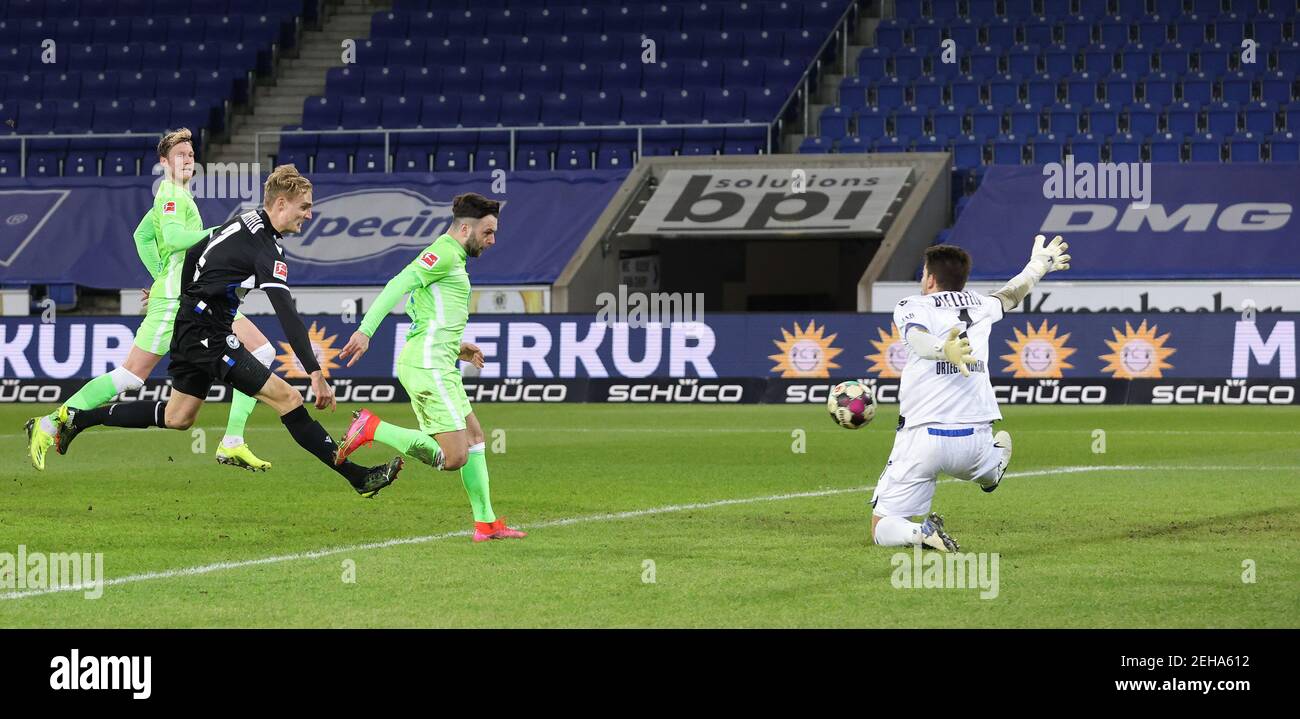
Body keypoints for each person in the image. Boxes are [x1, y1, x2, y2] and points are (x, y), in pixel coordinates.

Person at [56, 165, 402, 497]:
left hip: (192, 325)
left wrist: (187, 293)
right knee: (289, 398)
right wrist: (315, 372)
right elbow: (287, 313)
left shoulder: (244, 220)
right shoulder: (267, 249)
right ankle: (357, 476)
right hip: (210, 334)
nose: (308, 214)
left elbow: (194, 252)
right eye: (304, 207)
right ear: (281, 204)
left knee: (178, 417)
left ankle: (79, 419)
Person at [25, 128, 275, 472]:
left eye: (190, 155)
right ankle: (51, 423)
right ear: (165, 162)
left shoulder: (175, 196)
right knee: (130, 376)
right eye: (180, 156)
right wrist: (217, 233)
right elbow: (172, 238)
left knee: (260, 351)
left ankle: (233, 440)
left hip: (185, 294)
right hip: (176, 301)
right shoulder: (171, 195)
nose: (187, 160)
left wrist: (161, 274)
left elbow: (142, 235)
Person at [333, 192, 526, 541]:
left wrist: (458, 348)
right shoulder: (442, 254)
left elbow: (429, 313)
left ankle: (486, 523)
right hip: (427, 366)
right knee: (454, 458)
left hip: (440, 362)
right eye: (488, 232)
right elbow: (398, 285)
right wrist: (365, 331)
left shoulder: (453, 259)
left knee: (476, 438)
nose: (492, 240)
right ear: (465, 228)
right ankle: (372, 428)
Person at [871, 235, 1071, 552]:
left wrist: (942, 348)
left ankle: (919, 534)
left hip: (923, 438)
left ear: (931, 278)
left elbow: (918, 339)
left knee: (882, 527)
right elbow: (1011, 294)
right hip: (975, 440)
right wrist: (1038, 266)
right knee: (994, 452)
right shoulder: (980, 304)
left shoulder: (913, 305)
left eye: (923, 273)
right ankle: (991, 469)